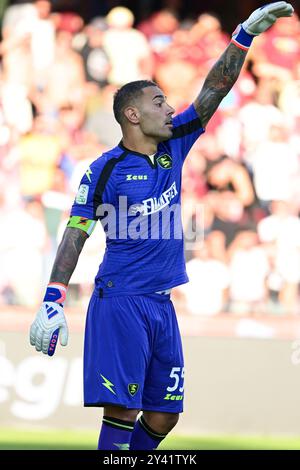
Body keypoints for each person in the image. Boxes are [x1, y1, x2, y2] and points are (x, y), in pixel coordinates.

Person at [29, 2, 294, 450]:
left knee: (165, 414)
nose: (170, 108)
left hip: (161, 303)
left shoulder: (176, 145)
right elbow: (76, 230)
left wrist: (244, 36)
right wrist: (53, 296)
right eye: (158, 102)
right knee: (122, 411)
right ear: (132, 115)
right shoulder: (104, 169)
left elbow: (214, 89)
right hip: (121, 300)